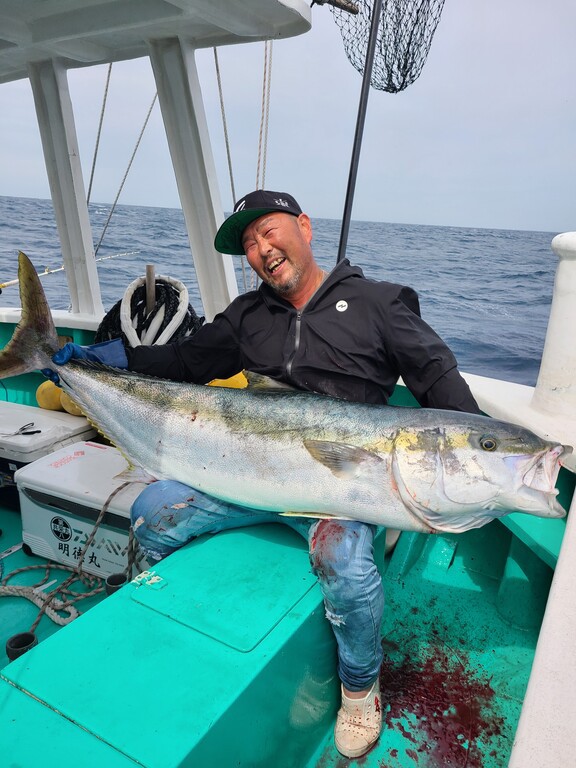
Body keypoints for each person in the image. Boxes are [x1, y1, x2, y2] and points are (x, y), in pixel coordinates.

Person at [51, 190, 480, 759]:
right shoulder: (247, 317)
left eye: (268, 231)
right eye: (248, 245)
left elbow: (438, 383)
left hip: (339, 489)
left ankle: (359, 686)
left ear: (304, 226)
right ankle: (176, 612)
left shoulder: (380, 304)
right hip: (245, 477)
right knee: (152, 512)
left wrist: (482, 460)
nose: (260, 249)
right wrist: (112, 360)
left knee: (344, 564)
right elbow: (185, 363)